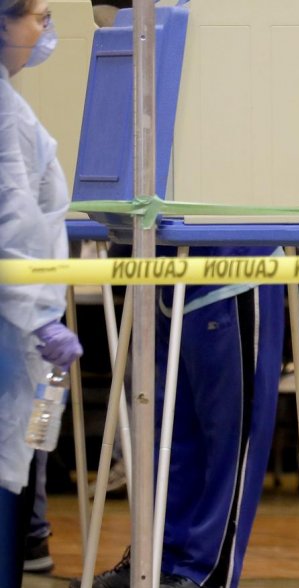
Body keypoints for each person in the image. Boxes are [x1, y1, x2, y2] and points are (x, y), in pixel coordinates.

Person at [70, 248, 286, 588]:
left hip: (237, 268)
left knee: (230, 444)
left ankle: (204, 572)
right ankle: (157, 562)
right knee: (173, 441)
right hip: (170, 273)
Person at [0, 1, 84, 586]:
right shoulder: (5, 116)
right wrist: (38, 318)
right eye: (39, 16)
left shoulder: (12, 107)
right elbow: (9, 228)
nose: (46, 31)